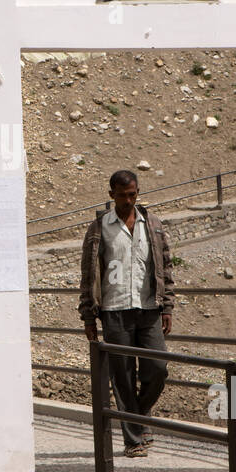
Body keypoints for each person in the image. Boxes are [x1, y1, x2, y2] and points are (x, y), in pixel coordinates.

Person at [78, 169, 175, 457]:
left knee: (158, 368)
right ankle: (134, 440)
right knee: (122, 377)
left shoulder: (152, 225)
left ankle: (138, 416)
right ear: (112, 195)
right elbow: (87, 275)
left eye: (132, 194)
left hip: (148, 310)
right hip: (114, 310)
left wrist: (167, 306)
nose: (128, 200)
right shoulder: (99, 228)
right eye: (122, 195)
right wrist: (88, 317)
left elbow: (165, 267)